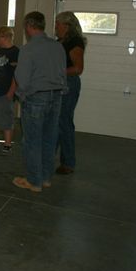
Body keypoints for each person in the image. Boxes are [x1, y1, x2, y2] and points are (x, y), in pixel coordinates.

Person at [13, 11, 66, 192]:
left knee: (32, 140)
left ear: (28, 27)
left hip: (36, 98)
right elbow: (62, 72)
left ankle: (33, 181)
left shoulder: (28, 49)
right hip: (56, 96)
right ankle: (45, 178)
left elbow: (22, 77)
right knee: (49, 139)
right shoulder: (57, 47)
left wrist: (22, 94)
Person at [54, 11, 86, 175]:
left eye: (57, 24)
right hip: (60, 84)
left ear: (66, 25)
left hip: (68, 85)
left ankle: (68, 162)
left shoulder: (74, 42)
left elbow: (78, 68)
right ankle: (52, 155)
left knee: (64, 122)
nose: (56, 27)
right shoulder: (61, 41)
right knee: (58, 121)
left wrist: (58, 73)